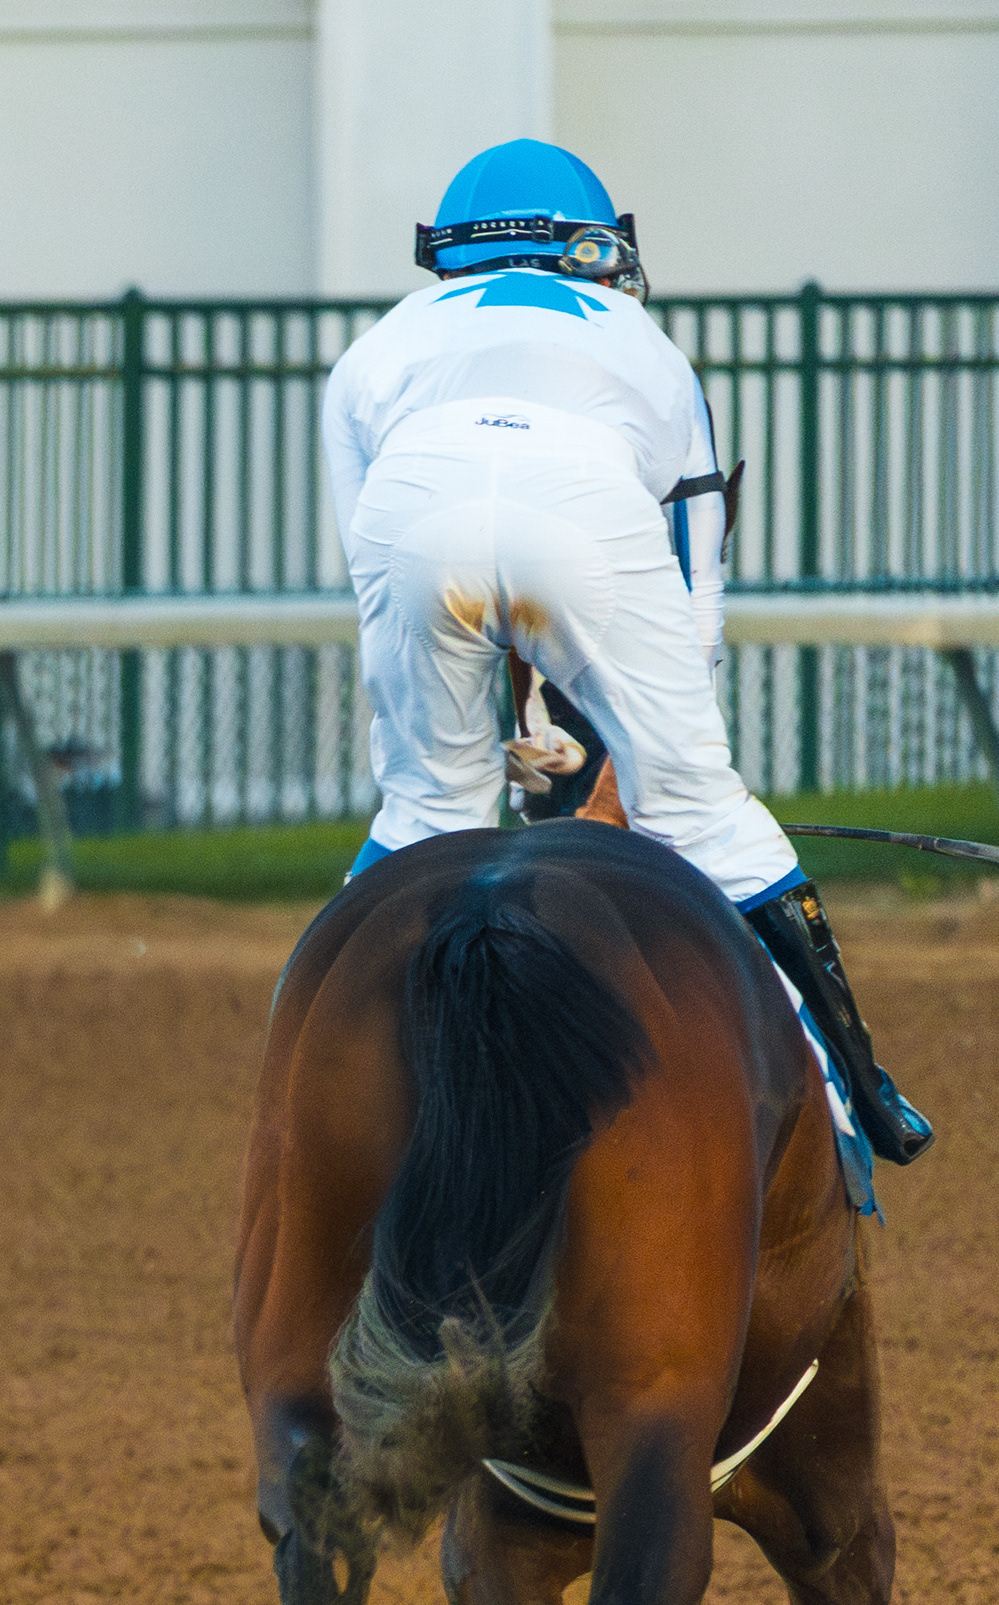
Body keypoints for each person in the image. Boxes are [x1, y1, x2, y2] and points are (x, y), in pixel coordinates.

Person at [323, 138, 930, 1164]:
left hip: (411, 510)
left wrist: (492, 733)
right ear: (589, 244)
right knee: (706, 813)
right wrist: (659, 772)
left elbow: (379, 568)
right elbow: (693, 601)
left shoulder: (373, 351)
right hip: (588, 513)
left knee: (425, 816)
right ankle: (863, 1089)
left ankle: (316, 1063)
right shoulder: (645, 343)